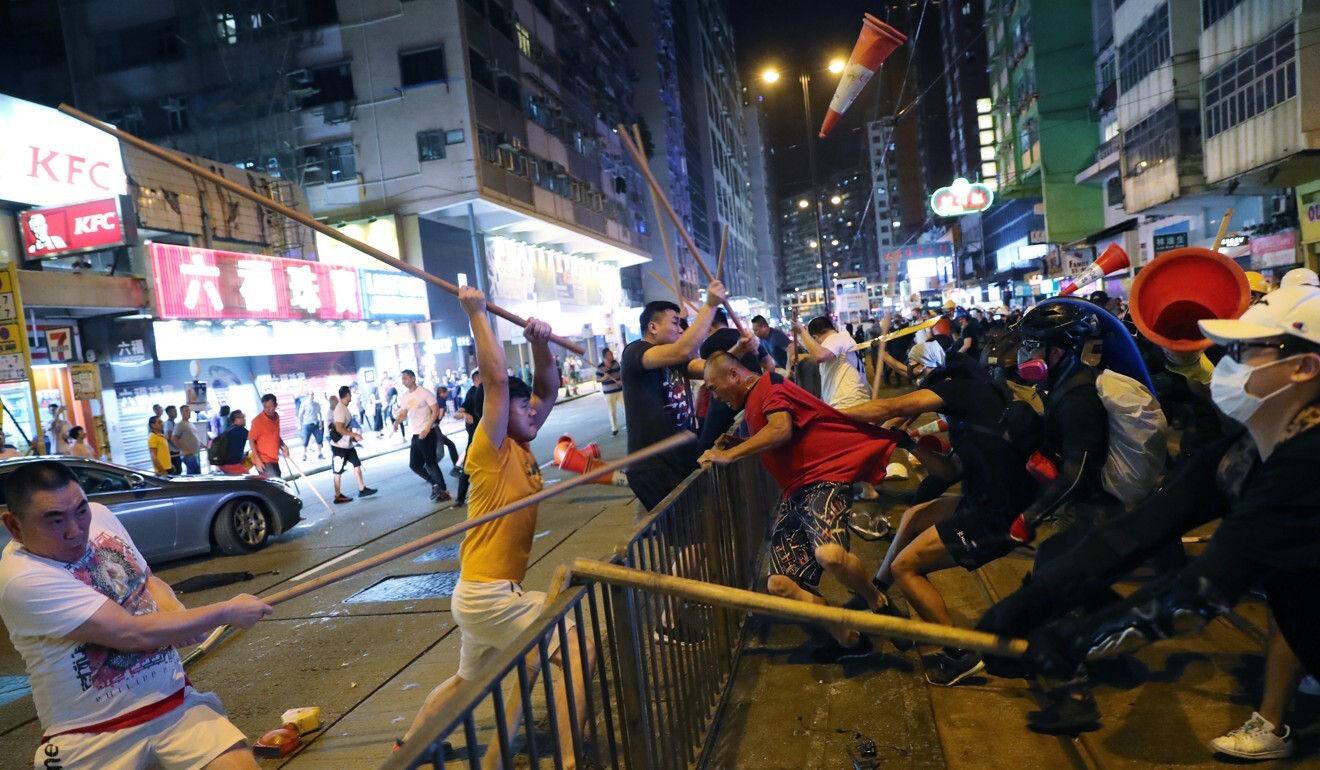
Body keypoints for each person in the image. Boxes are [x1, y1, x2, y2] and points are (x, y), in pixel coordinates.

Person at [981, 287, 1320, 741]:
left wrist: (1077, 641)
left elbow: (1204, 589)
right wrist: (1031, 601)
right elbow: (1145, 525)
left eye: (1244, 351)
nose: (1228, 363)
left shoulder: (1307, 462)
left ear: (1304, 367)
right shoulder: (1259, 444)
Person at [399, 287, 595, 768]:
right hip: (489, 594)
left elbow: (547, 390)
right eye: (521, 407)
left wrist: (541, 342)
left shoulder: (523, 443)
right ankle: (570, 761)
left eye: (531, 408)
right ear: (498, 415)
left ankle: (410, 749)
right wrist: (477, 315)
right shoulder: (489, 451)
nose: (533, 412)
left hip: (481, 592)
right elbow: (496, 384)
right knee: (578, 652)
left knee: (468, 683)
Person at [0, 461, 272, 769]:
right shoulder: (22, 578)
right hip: (89, 736)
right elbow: (131, 634)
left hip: (174, 704)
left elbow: (147, 580)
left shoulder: (101, 515)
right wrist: (225, 612)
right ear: (14, 525)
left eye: (80, 510)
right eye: (55, 520)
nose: (76, 530)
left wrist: (174, 611)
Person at [843, 356, 1041, 685]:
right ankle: (879, 597)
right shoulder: (974, 414)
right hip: (985, 501)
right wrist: (909, 444)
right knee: (914, 515)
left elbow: (894, 406)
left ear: (945, 386)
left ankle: (958, 654)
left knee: (905, 567)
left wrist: (825, 415)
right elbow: (951, 471)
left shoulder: (967, 390)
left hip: (997, 518)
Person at [698, 352, 902, 662]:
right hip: (794, 494)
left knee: (830, 555)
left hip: (822, 480)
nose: (713, 396)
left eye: (713, 387)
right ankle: (848, 639)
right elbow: (780, 440)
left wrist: (729, 456)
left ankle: (878, 601)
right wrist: (738, 444)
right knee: (779, 586)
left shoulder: (769, 385)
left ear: (734, 375)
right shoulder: (757, 396)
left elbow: (781, 430)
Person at [621, 282, 727, 512]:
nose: (681, 330)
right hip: (655, 466)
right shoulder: (636, 352)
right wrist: (709, 306)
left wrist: (739, 350)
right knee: (686, 540)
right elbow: (683, 350)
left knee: (691, 534)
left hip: (680, 460)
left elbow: (708, 367)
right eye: (675, 323)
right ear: (653, 327)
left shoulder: (674, 361)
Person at [394, 369, 450, 503]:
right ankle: (434, 484)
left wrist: (427, 428)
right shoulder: (405, 397)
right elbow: (403, 413)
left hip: (428, 433)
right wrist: (397, 421)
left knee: (431, 463)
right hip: (415, 434)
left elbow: (435, 410)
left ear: (413, 378)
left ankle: (444, 490)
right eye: (402, 379)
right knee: (414, 464)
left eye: (405, 378)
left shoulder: (424, 392)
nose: (403, 381)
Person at [330, 386, 377, 503]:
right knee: (338, 470)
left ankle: (362, 489)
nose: (351, 396)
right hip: (339, 447)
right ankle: (337, 495)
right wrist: (354, 435)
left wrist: (352, 438)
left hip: (348, 445)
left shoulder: (344, 408)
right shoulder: (340, 409)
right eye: (350, 394)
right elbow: (340, 428)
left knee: (356, 464)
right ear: (347, 395)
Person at [453, 371, 485, 507]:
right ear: (477, 381)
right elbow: (458, 413)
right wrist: (465, 413)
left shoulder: (483, 393)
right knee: (467, 467)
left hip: (486, 435)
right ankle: (460, 498)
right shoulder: (474, 394)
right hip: (475, 437)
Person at [247, 394, 288, 478]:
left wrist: (284, 446)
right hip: (263, 460)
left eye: (271, 407)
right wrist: (257, 460)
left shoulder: (276, 417)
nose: (268, 409)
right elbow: (251, 440)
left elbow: (275, 435)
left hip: (274, 458)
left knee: (278, 481)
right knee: (274, 484)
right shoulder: (258, 421)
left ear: (276, 405)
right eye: (265, 407)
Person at [212, 410, 251, 475]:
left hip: (223, 464)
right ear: (236, 419)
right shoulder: (240, 430)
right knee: (248, 481)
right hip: (233, 465)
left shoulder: (229, 429)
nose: (244, 419)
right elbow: (253, 438)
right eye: (242, 417)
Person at [596, 347, 624, 436]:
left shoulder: (616, 364)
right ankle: (614, 428)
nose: (612, 355)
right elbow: (597, 379)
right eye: (610, 354)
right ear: (605, 357)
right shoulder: (600, 367)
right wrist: (604, 378)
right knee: (612, 411)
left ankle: (630, 425)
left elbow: (621, 373)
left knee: (626, 408)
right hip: (608, 392)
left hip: (619, 390)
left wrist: (621, 381)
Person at [434, 385, 461, 475]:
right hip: (435, 427)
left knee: (451, 445)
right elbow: (441, 413)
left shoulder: (437, 399)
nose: (448, 394)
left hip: (435, 427)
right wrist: (439, 419)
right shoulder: (441, 400)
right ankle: (429, 466)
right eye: (446, 393)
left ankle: (457, 465)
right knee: (440, 453)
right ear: (442, 394)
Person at [171, 405, 203, 475]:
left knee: (197, 473)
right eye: (186, 411)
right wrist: (184, 450)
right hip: (188, 454)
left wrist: (202, 445)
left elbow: (194, 436)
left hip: (195, 453)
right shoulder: (180, 425)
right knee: (192, 474)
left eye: (189, 411)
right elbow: (174, 438)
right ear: (181, 412)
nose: (189, 413)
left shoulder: (190, 424)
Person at [298, 391, 325, 462]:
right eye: (311, 395)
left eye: (313, 395)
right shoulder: (304, 404)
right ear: (307, 396)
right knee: (305, 440)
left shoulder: (316, 404)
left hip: (315, 423)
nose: (312, 396)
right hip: (307, 424)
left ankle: (320, 453)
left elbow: (319, 413)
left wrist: (320, 422)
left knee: (319, 439)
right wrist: (300, 424)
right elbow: (300, 415)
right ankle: (304, 454)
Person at [162, 406, 182, 474]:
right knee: (177, 470)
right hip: (172, 451)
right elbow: (169, 437)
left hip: (176, 450)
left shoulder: (173, 423)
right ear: (169, 413)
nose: (176, 413)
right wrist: (178, 445)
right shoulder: (169, 423)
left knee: (179, 469)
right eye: (174, 411)